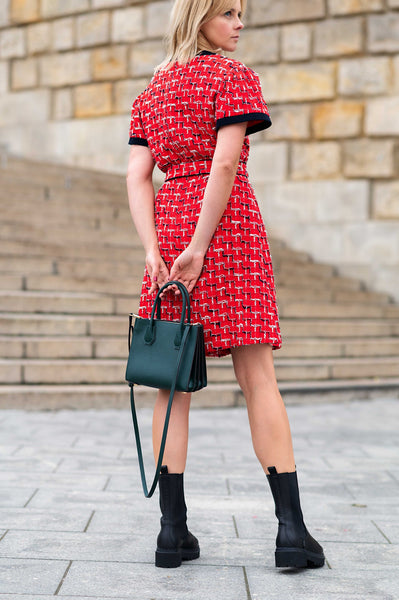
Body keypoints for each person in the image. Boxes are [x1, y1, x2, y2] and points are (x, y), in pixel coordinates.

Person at [126, 0, 325, 570]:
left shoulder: (152, 93)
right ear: (199, 18)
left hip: (168, 227)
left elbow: (139, 178)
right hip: (227, 225)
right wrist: (199, 246)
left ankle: (172, 534)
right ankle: (291, 533)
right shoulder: (234, 77)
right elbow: (225, 163)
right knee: (257, 374)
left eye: (242, 13)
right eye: (229, 12)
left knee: (170, 381)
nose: (240, 23)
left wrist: (154, 250)